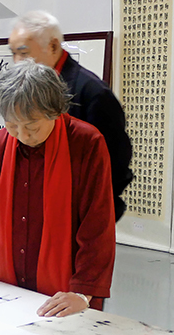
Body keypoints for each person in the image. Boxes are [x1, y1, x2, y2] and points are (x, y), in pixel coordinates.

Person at [0, 60, 116, 316]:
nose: (22, 135)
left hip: (67, 294)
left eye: (31, 126)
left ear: (55, 110)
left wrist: (82, 292)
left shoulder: (86, 144)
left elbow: (97, 225)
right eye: (12, 125)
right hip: (8, 291)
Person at [8, 11, 132, 220]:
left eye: (23, 53)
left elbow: (116, 163)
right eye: (13, 53)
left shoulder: (92, 93)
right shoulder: (24, 90)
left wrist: (91, 212)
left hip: (78, 213)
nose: (16, 61)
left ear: (53, 46)